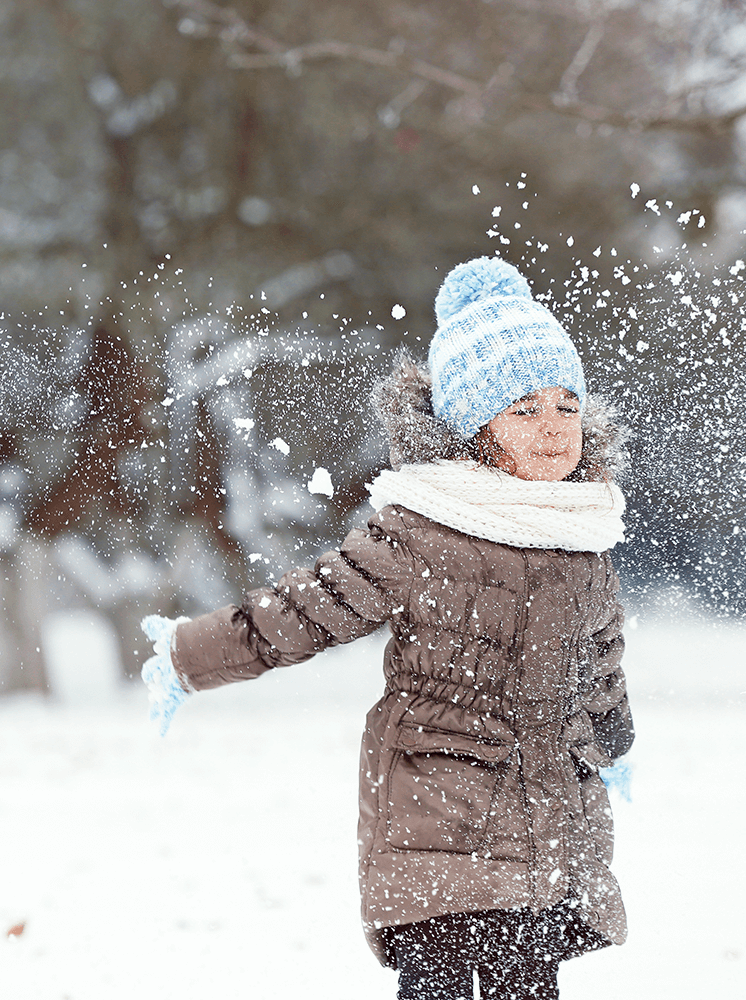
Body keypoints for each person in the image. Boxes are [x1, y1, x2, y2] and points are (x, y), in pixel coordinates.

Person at [141, 256, 634, 1000]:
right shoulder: (421, 528)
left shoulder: (583, 532)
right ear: (475, 426)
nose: (553, 428)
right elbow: (305, 611)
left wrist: (612, 734)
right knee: (435, 983)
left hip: (545, 813)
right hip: (438, 804)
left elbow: (600, 653)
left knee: (526, 985)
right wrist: (188, 653)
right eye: (524, 408)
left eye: (567, 405)